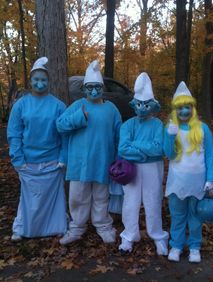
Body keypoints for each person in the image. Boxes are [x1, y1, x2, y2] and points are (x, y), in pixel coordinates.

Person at [56, 60, 122, 245]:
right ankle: (77, 227)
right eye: (90, 87)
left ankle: (102, 225)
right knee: (78, 197)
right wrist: (79, 118)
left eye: (97, 87)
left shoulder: (111, 109)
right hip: (79, 162)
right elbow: (60, 125)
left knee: (101, 196)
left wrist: (118, 158)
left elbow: (118, 135)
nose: (94, 91)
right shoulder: (78, 105)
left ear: (103, 88)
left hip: (103, 160)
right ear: (85, 89)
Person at [7, 57, 67, 241]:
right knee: (29, 198)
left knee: (54, 199)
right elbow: (14, 133)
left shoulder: (58, 105)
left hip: (52, 160)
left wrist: (63, 157)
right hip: (28, 161)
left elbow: (65, 134)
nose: (40, 83)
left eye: (43, 80)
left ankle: (57, 225)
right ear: (30, 81)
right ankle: (22, 227)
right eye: (36, 80)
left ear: (49, 81)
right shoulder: (21, 105)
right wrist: (17, 159)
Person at [164, 81, 213, 263]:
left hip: (198, 182)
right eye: (180, 109)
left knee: (195, 216)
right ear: (175, 110)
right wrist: (170, 137)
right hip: (177, 181)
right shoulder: (172, 128)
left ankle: (194, 246)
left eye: (187, 107)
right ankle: (176, 245)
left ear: (192, 108)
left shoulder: (203, 129)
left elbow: (210, 155)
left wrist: (211, 179)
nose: (184, 112)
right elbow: (169, 154)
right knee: (178, 216)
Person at [118, 72, 169, 255]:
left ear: (152, 105)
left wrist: (136, 146)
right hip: (131, 169)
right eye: (139, 104)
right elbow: (123, 149)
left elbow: (158, 149)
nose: (142, 108)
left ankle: (158, 236)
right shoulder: (128, 125)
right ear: (134, 104)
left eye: (145, 104)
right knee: (130, 202)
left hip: (153, 169)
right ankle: (128, 236)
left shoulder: (157, 125)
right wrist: (143, 153)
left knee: (153, 201)